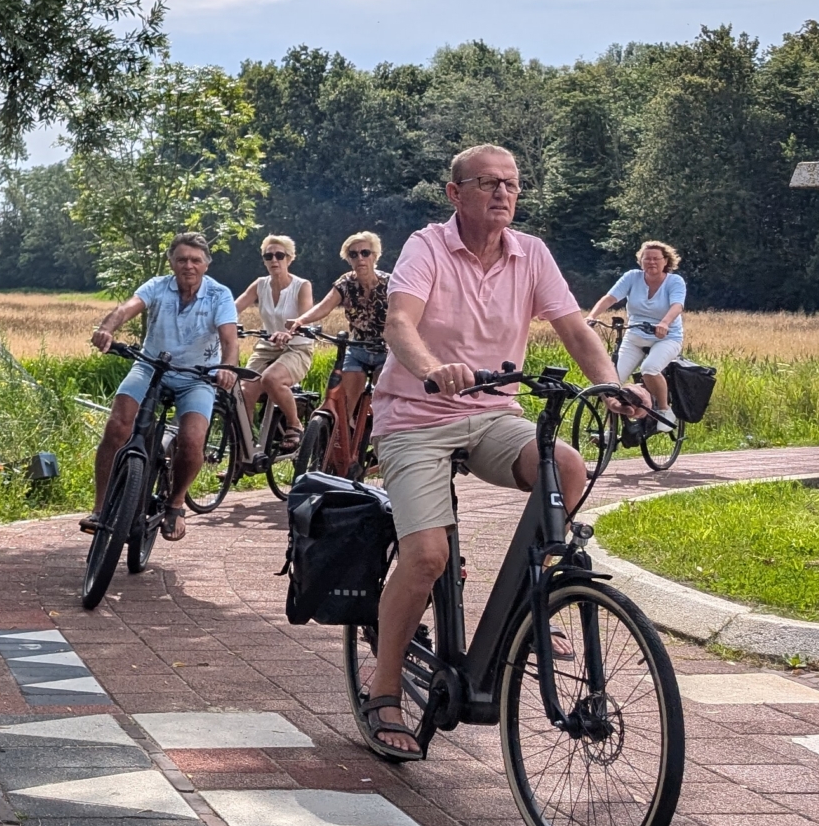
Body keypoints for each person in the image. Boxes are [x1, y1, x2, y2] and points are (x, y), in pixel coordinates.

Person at [358, 145, 643, 759]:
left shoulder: (531, 252)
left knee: (565, 464)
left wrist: (613, 386)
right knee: (428, 555)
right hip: (416, 415)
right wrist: (434, 370)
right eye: (488, 183)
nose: (503, 194)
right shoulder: (427, 246)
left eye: (512, 184)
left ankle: (525, 610)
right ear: (455, 192)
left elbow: (574, 328)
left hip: (491, 413)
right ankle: (383, 689)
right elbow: (399, 324)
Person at [88, 234, 241, 542]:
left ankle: (175, 503)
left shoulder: (219, 294)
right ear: (171, 262)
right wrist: (107, 328)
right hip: (150, 366)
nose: (189, 265)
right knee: (118, 425)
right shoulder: (157, 286)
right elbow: (128, 307)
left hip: (197, 375)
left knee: (193, 439)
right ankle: (100, 507)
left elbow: (229, 339)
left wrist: (227, 367)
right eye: (182, 259)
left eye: (196, 260)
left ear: (206, 265)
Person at [279, 231, 391, 472]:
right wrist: (300, 321)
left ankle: (381, 447)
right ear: (348, 259)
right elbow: (324, 307)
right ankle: (342, 455)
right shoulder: (345, 283)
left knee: (384, 403)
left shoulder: (390, 283)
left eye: (365, 253)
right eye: (353, 254)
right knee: (345, 410)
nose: (360, 258)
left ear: (375, 256)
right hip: (357, 349)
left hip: (386, 351)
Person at [589, 241, 686, 427]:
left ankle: (664, 410)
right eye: (647, 258)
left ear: (665, 261)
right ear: (640, 261)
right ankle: (610, 432)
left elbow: (677, 305)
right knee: (611, 382)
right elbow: (610, 297)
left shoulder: (675, 281)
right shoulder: (632, 277)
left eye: (656, 259)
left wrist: (664, 323)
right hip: (635, 336)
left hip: (665, 337)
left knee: (649, 369)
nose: (651, 262)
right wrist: (592, 317)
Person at [234, 235, 314, 443]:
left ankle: (294, 423)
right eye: (268, 256)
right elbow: (234, 308)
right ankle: (245, 449)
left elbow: (304, 318)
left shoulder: (301, 286)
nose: (274, 260)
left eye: (280, 255)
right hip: (267, 347)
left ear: (290, 258)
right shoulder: (260, 285)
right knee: (243, 392)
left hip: (297, 348)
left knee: (271, 379)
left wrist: (290, 332)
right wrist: (220, 324)